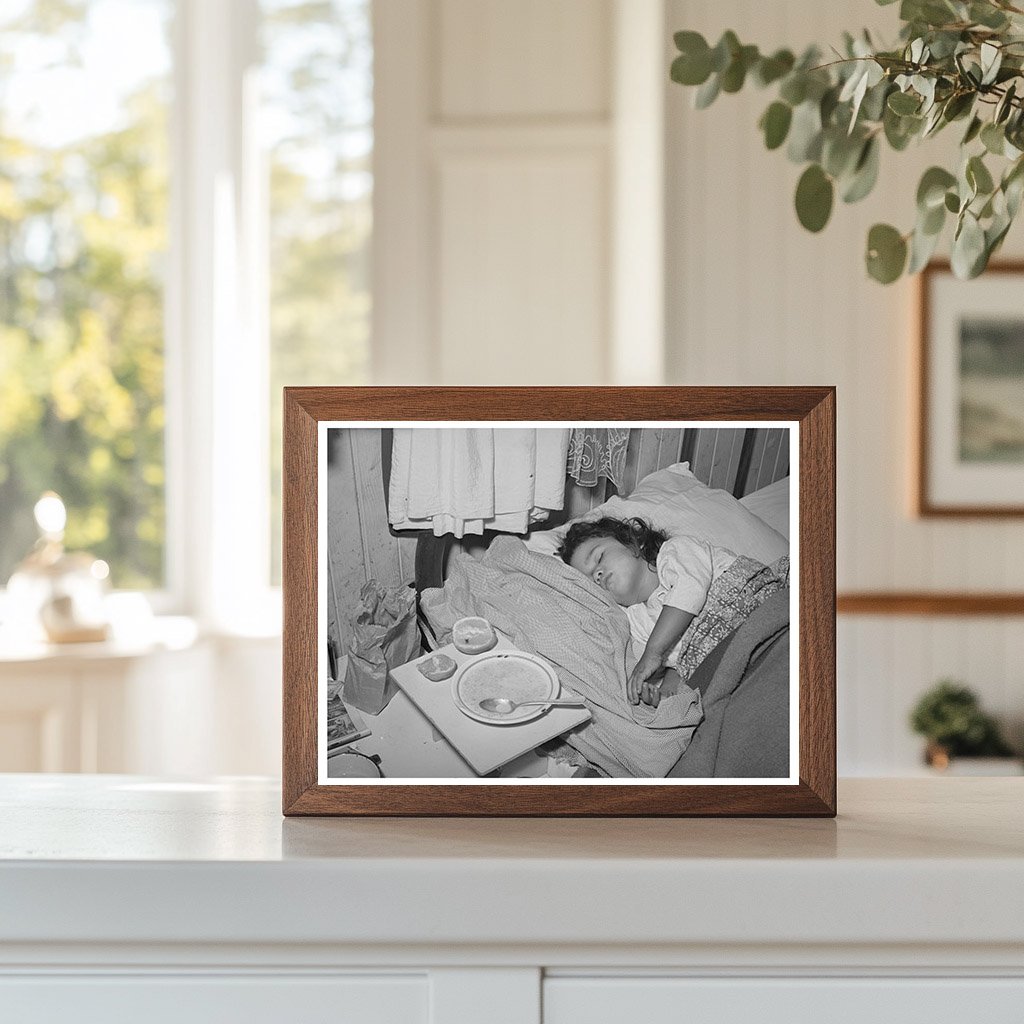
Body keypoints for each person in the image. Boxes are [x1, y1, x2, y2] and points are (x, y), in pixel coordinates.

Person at [558, 516, 786, 708]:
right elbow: (684, 655)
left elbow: (689, 591)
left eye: (599, 557)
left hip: (763, 614)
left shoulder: (674, 552)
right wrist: (667, 690)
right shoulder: (636, 622)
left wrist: (653, 652)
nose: (598, 574)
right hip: (738, 662)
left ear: (631, 542)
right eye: (591, 581)